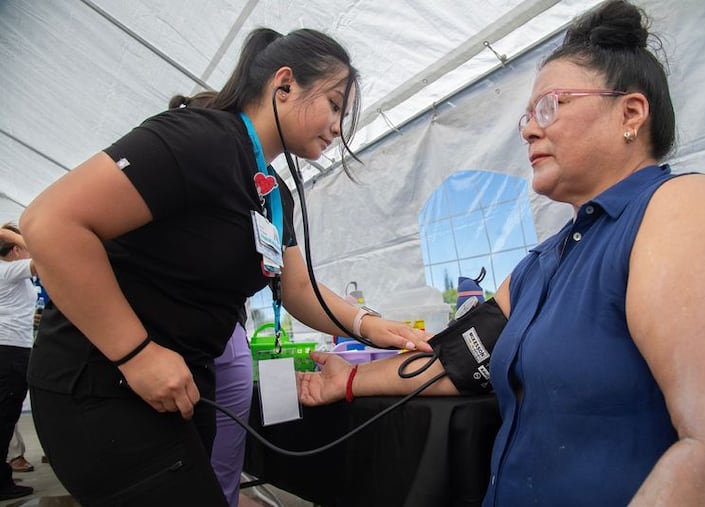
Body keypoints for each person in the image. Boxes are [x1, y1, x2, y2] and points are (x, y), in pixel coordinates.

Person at [297, 1, 705, 505]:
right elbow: (455, 361)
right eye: (526, 115)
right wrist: (349, 380)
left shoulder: (685, 210)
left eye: (550, 106)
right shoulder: (541, 264)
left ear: (630, 113)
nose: (529, 129)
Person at [20, 27, 431, 507]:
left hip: (184, 385)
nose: (338, 126)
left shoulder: (272, 193)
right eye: (335, 104)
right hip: (103, 385)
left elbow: (297, 289)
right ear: (285, 84)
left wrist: (371, 326)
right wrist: (136, 353)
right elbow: (49, 223)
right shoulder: (200, 138)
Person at [168, 89, 255, 507]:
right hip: (180, 341)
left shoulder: (245, 195)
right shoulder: (161, 184)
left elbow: (293, 284)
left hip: (225, 337)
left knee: (220, 460)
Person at [0, 223, 36, 500]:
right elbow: (48, 256)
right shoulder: (8, 270)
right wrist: (13, 233)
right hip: (11, 351)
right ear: (15, 250)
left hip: (9, 348)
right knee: (5, 417)